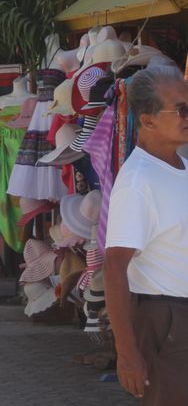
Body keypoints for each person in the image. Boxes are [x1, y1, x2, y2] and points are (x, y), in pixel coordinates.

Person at [105, 65, 188, 404]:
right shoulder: (138, 182)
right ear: (148, 119)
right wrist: (127, 355)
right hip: (166, 321)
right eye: (181, 109)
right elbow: (113, 269)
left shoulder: (179, 165)